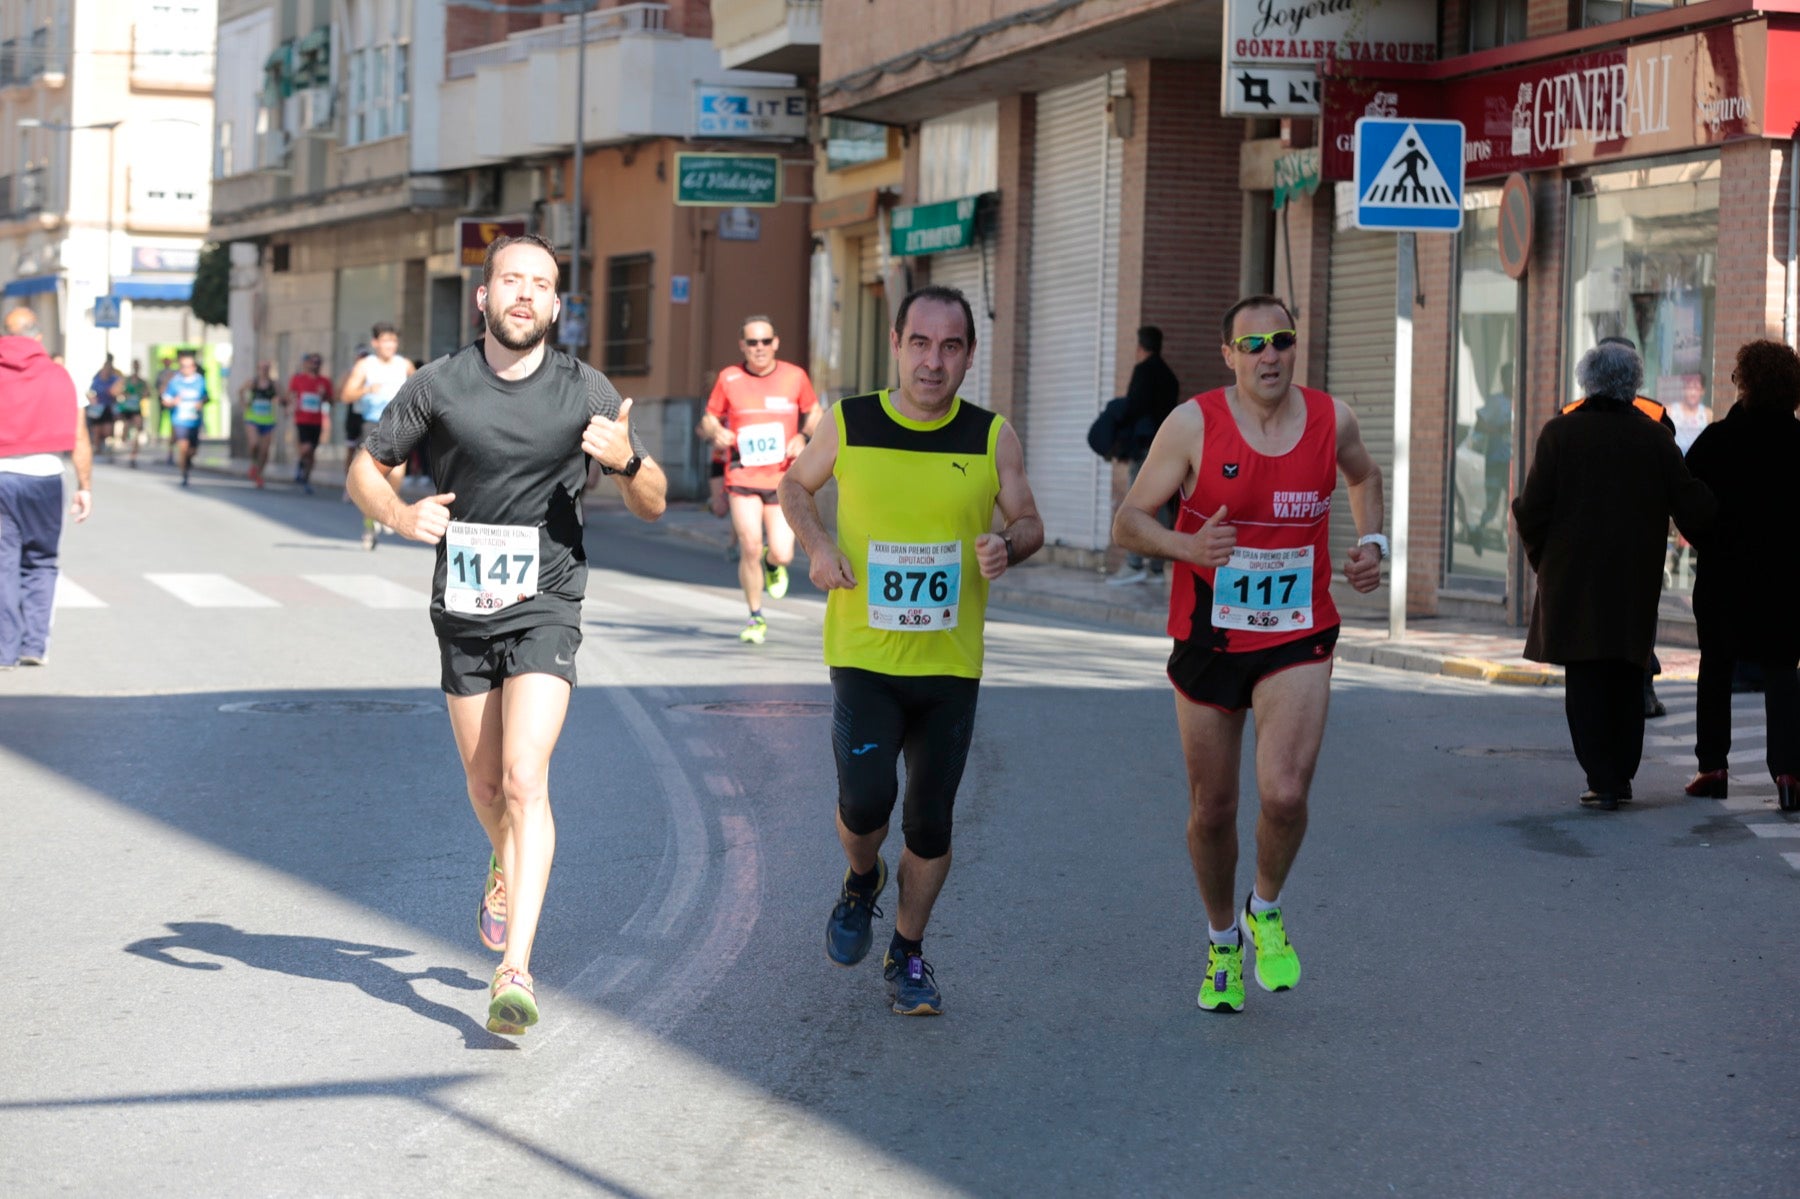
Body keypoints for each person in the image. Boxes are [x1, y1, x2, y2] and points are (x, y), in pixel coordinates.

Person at [347, 233, 666, 1035]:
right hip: (463, 606)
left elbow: (654, 500)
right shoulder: (439, 384)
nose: (526, 294)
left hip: (548, 601)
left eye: (542, 284)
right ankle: (502, 858)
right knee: (487, 787)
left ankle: (514, 967)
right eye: (511, 281)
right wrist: (397, 510)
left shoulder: (584, 388)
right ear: (483, 297)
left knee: (526, 778)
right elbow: (364, 466)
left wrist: (627, 462)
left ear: (558, 305)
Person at [1112, 294, 1386, 1014]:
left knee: (1285, 793)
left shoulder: (1333, 421)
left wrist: (1372, 544)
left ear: (1296, 347)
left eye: (1281, 340)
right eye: (1253, 343)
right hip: (1210, 635)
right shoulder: (1193, 424)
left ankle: (1266, 907)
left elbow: (1365, 477)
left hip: (1299, 632)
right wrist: (1186, 545)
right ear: (1229, 354)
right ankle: (1221, 937)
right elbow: (1129, 521)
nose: (1269, 355)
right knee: (1213, 808)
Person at [779, 284, 1044, 1017]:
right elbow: (795, 487)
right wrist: (819, 542)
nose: (934, 361)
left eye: (951, 346)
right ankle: (860, 879)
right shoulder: (851, 421)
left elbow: (1029, 521)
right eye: (920, 343)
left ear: (969, 355)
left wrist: (1005, 545)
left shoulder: (992, 437)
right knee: (866, 806)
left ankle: (908, 950)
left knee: (930, 821)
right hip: (864, 655)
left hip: (950, 665)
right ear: (896, 345)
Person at [1512, 341, 1715, 811]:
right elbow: (1692, 505)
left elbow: (1530, 510)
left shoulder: (1559, 434)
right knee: (1628, 671)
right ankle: (1620, 774)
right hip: (1632, 577)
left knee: (1584, 677)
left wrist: (1544, 561)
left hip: (1572, 577)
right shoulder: (1654, 438)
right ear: (1634, 385)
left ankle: (1600, 777)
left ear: (1587, 381)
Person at [1681, 340, 1800, 812]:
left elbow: (1687, 501)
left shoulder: (1718, 440)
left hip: (1725, 577)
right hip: (1787, 580)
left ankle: (1713, 769)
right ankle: (1789, 774)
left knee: (1715, 668)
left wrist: (1708, 540)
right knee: (1782, 672)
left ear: (1745, 383)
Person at [1565, 336, 1678, 719]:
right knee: (1638, 618)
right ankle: (1641, 690)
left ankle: (1594, 703)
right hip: (1638, 541)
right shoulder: (1656, 416)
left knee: (1589, 619)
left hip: (1584, 543)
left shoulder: (1567, 416)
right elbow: (1674, 478)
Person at [700, 317, 820, 644]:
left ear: (776, 343)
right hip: (741, 472)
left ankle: (772, 563)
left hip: (782, 478)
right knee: (749, 544)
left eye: (765, 341)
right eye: (752, 343)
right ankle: (755, 616)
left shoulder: (795, 377)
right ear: (742, 345)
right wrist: (717, 431)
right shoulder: (729, 378)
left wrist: (803, 436)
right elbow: (709, 418)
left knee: (782, 553)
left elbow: (815, 413)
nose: (759, 349)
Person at [0, 308, 93, 669]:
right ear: (38, 337)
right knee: (40, 560)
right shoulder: (61, 376)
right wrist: (84, 486)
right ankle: (33, 646)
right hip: (45, 476)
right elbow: (80, 437)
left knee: (3, 563)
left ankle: (3, 650)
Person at [1107, 325, 1183, 586]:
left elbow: (1134, 408)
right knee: (1160, 507)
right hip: (1169, 450)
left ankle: (1134, 563)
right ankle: (1157, 568)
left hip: (1145, 450)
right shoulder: (1170, 376)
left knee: (1136, 506)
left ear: (1141, 348)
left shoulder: (1143, 371)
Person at [341, 324, 416, 548]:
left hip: (399, 423)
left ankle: (385, 510)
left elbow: (422, 389)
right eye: (385, 341)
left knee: (397, 472)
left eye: (393, 341)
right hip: (373, 423)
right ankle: (370, 524)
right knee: (373, 476)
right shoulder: (365, 366)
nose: (390, 346)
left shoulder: (405, 365)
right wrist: (365, 390)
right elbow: (345, 395)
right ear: (375, 343)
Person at [284, 352, 333, 494]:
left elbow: (331, 401)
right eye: (313, 362)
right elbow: (290, 395)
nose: (315, 365)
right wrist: (291, 405)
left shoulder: (325, 382)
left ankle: (306, 478)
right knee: (306, 448)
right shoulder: (298, 379)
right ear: (307, 363)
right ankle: (300, 464)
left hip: (317, 421)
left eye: (318, 362)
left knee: (312, 453)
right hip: (302, 419)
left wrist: (324, 395)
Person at [162, 350, 208, 487]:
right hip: (179, 419)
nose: (185, 369)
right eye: (182, 366)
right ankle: (184, 474)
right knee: (183, 447)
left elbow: (206, 396)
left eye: (188, 366)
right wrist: (172, 402)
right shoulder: (175, 381)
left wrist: (202, 402)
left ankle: (188, 461)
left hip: (194, 420)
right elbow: (165, 399)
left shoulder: (200, 381)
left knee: (192, 450)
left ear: (194, 367)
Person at [240, 360, 280, 488]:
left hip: (268, 420)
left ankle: (259, 474)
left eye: (266, 368)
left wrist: (283, 402)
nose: (264, 370)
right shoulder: (252, 382)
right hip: (252, 418)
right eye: (262, 368)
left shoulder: (274, 384)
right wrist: (244, 404)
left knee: (264, 450)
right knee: (254, 444)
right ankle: (253, 463)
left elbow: (284, 396)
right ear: (258, 369)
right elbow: (240, 391)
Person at [86, 354, 122, 457]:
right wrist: (92, 399)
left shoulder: (115, 377)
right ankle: (97, 449)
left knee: (107, 430)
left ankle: (106, 446)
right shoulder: (97, 378)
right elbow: (91, 391)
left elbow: (117, 390)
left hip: (109, 406)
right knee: (96, 429)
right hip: (97, 408)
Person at [116, 358, 148, 469]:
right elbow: (116, 390)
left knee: (138, 429)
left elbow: (148, 393)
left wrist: (143, 394)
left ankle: (133, 454)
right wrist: (124, 393)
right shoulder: (126, 379)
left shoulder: (142, 381)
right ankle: (124, 439)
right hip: (126, 408)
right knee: (126, 429)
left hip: (136, 408)